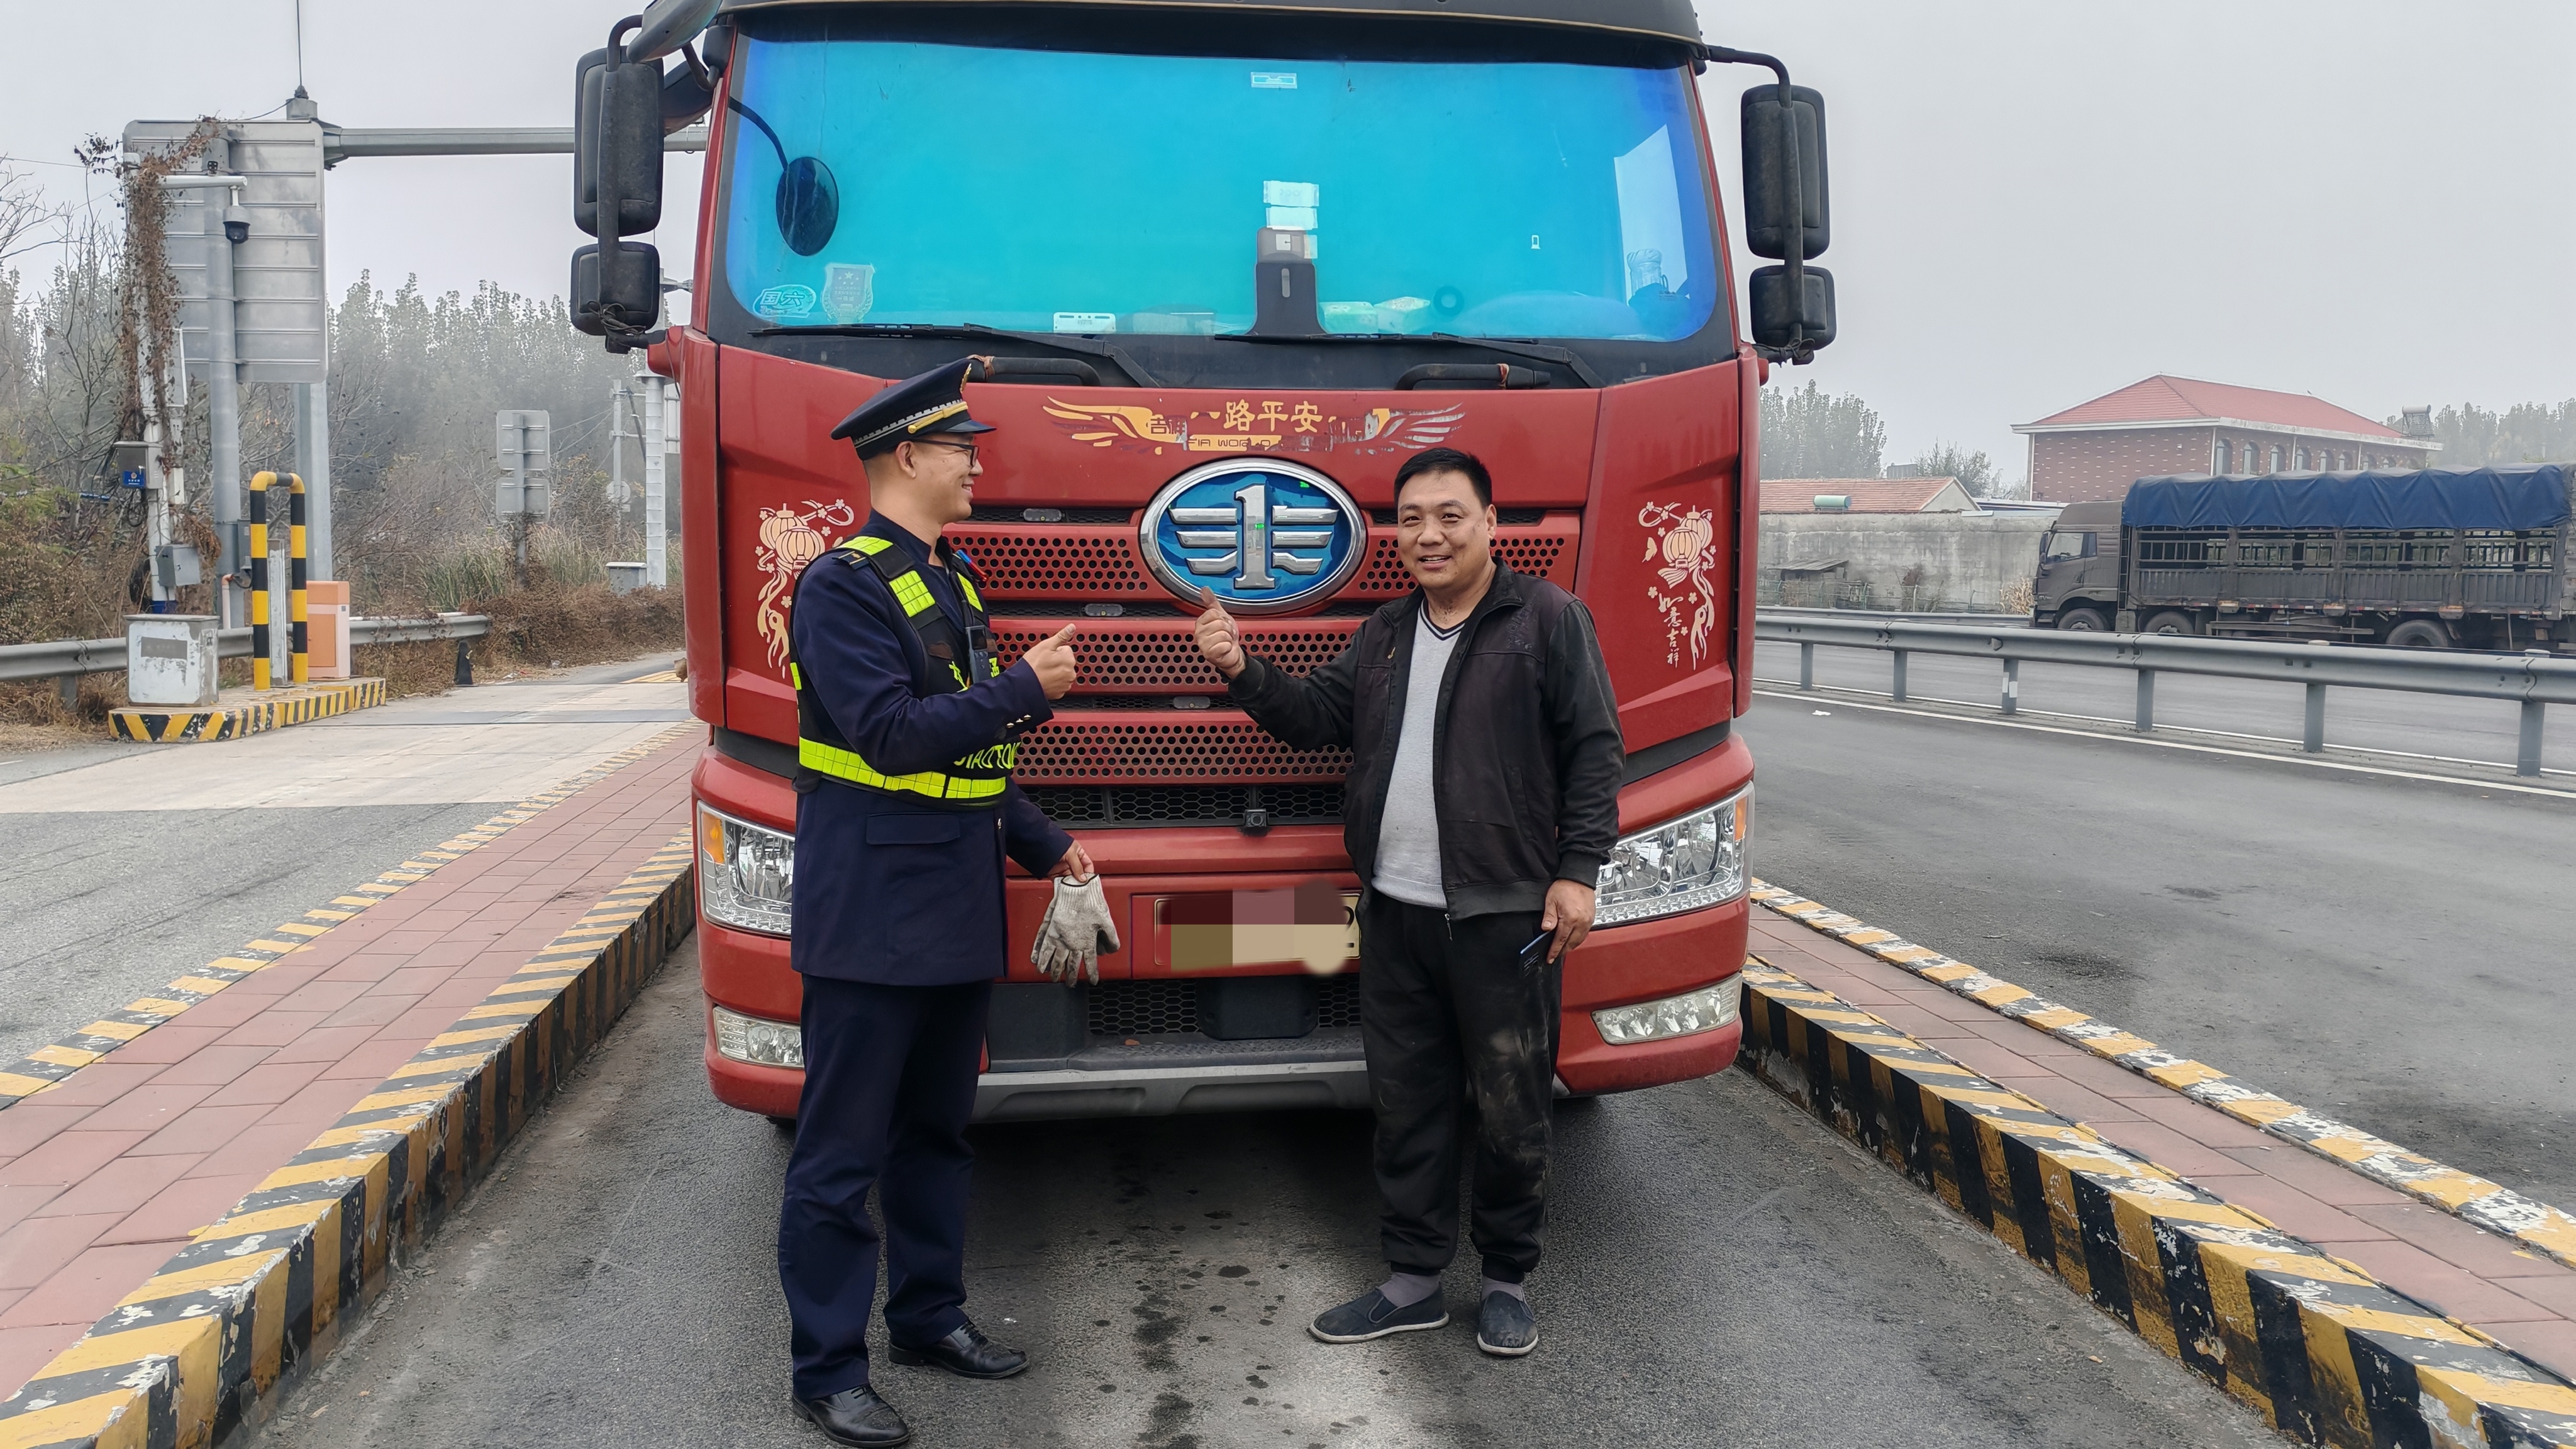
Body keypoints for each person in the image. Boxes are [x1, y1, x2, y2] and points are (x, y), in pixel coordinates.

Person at [1192, 446, 1623, 1358]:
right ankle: (1414, 1281)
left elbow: (1594, 750)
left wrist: (1579, 871)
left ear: (1490, 524)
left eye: (1450, 516)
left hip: (1505, 916)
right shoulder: (1385, 632)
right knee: (1408, 1102)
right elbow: (1317, 719)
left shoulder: (1547, 619)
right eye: (1412, 519)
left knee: (1510, 1107)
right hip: (1394, 910)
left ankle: (1505, 1280)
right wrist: (1241, 668)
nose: (1430, 535)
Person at [780, 358, 1089, 1446]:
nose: (976, 466)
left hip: (953, 908)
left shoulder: (950, 583)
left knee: (937, 1138)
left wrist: (1050, 847)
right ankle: (827, 1369)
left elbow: (971, 760)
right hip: (871, 918)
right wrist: (1024, 690)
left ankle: (927, 1318)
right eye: (962, 450)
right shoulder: (841, 587)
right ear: (908, 455)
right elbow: (891, 736)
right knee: (840, 1157)